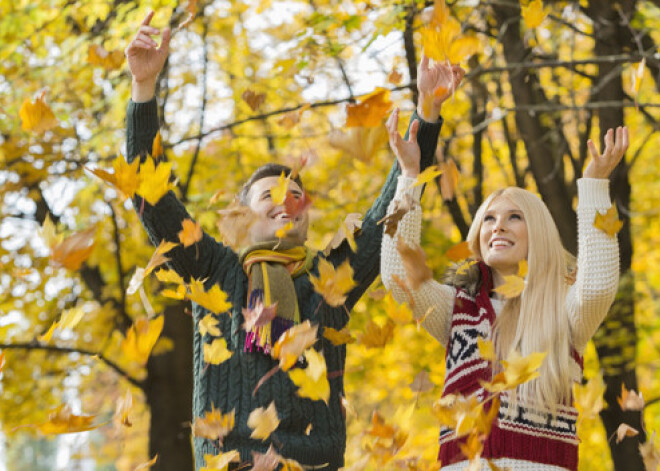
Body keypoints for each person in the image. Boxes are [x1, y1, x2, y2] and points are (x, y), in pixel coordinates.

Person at [125, 11, 464, 470]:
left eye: (297, 196)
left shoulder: (330, 277)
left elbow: (390, 208)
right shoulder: (215, 268)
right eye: (271, 196)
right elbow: (153, 200)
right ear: (244, 217)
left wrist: (427, 112)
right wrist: (143, 91)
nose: (287, 201)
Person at [382, 103, 628, 470]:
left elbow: (597, 286)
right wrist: (409, 177)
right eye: (489, 219)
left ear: (539, 232)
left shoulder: (564, 311)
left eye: (515, 217)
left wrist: (593, 184)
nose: (498, 226)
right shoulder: (458, 310)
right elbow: (398, 278)